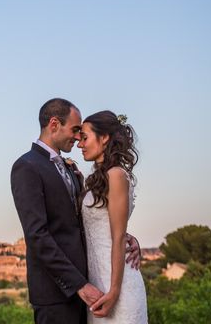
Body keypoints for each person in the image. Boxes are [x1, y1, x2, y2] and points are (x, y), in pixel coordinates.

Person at [11, 98, 140, 324]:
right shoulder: (27, 166)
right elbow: (37, 235)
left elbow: (88, 221)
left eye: (83, 134)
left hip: (92, 287)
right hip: (57, 293)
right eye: (75, 130)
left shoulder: (73, 171)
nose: (78, 138)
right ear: (53, 125)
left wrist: (125, 237)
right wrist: (79, 285)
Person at [78, 111, 148, 322]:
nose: (80, 144)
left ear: (105, 137)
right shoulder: (97, 179)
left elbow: (117, 237)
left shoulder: (116, 175)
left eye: (84, 137)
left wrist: (114, 292)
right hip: (98, 282)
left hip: (117, 287)